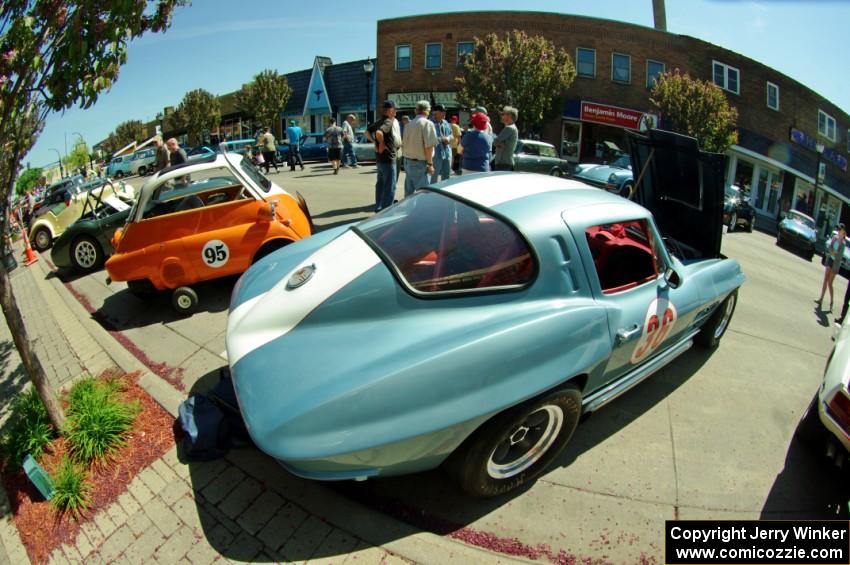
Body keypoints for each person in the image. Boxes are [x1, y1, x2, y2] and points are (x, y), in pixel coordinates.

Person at [366, 100, 400, 212]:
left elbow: (366, 132)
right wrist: (381, 143)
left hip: (380, 160)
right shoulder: (388, 122)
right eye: (395, 110)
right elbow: (379, 133)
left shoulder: (379, 121)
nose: (396, 112)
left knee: (380, 184)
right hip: (388, 159)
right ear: (390, 110)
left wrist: (374, 142)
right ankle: (386, 211)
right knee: (390, 186)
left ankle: (379, 207)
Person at [402, 100, 438, 197]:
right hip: (420, 164)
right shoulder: (427, 124)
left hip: (408, 162)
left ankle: (409, 212)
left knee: (409, 195)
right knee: (424, 195)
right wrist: (430, 164)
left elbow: (404, 144)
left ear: (416, 110)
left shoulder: (408, 124)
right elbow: (429, 146)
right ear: (427, 111)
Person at [818, 223, 846, 311]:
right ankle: (821, 299)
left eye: (840, 229)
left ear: (843, 231)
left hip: (835, 264)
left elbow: (839, 256)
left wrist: (833, 252)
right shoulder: (834, 238)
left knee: (830, 283)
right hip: (830, 260)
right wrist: (832, 252)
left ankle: (831, 302)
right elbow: (830, 247)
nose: (838, 231)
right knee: (825, 280)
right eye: (838, 229)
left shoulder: (843, 243)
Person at [430, 104, 452, 183]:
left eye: (445, 112)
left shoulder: (445, 122)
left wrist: (449, 138)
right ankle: (431, 194)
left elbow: (450, 134)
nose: (444, 113)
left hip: (446, 152)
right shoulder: (430, 123)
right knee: (434, 176)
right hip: (436, 154)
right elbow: (429, 138)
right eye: (442, 112)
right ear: (435, 113)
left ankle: (444, 193)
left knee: (446, 175)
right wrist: (442, 139)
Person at [493, 105, 519, 171]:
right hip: (506, 163)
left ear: (509, 116)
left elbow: (495, 142)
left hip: (503, 164)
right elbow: (497, 142)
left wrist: (497, 142)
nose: (501, 116)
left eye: (503, 114)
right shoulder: (512, 128)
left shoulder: (509, 128)